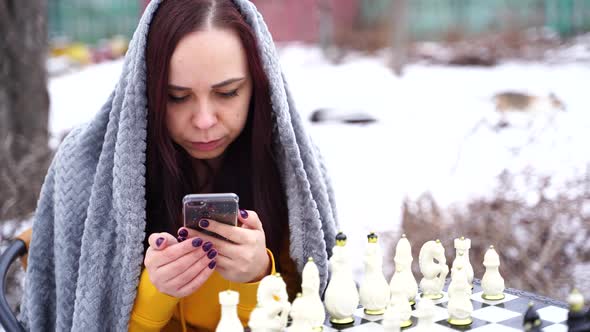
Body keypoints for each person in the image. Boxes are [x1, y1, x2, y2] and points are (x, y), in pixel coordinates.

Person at [20, 0, 338, 331]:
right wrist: (153, 294)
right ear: (144, 90)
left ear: (259, 85)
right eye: (177, 97)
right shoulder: (89, 164)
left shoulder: (293, 168)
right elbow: (74, 319)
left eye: (227, 93)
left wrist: (258, 276)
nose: (203, 121)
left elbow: (315, 313)